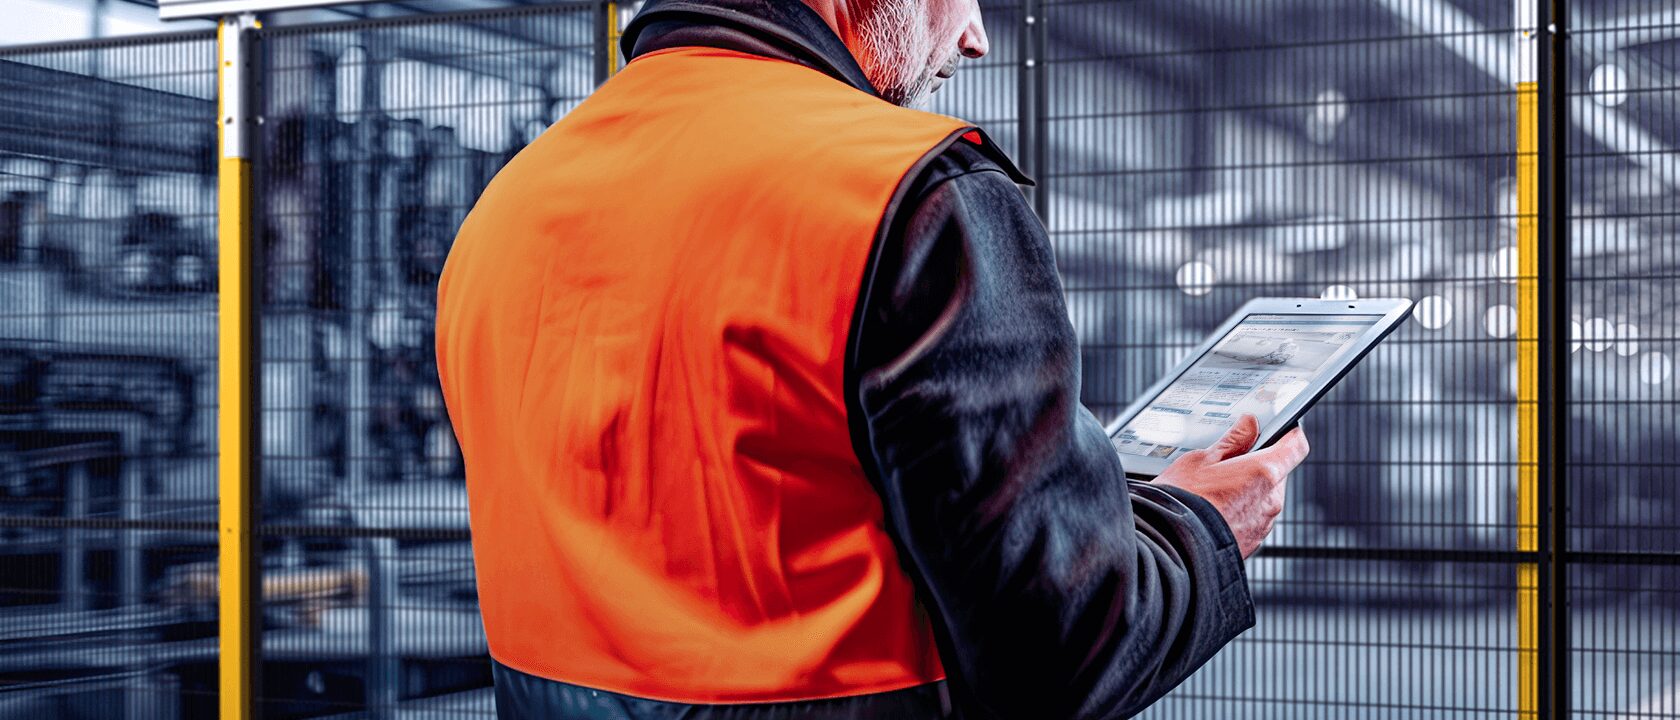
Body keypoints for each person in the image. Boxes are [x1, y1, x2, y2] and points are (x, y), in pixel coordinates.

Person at [432, 0, 1310, 718]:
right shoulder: (909, 193)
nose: (974, 33)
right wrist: (1204, 529)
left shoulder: (504, 210)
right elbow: (1061, 653)